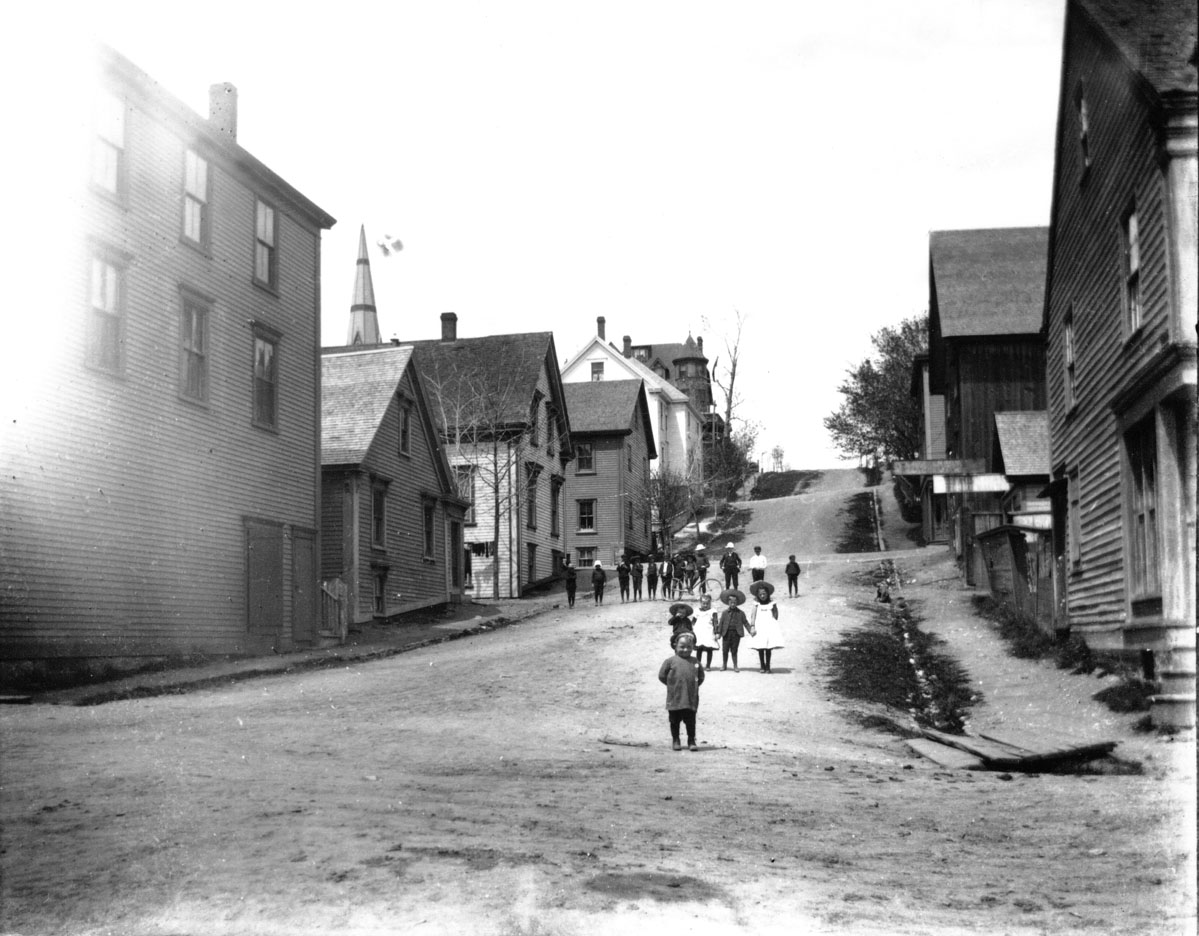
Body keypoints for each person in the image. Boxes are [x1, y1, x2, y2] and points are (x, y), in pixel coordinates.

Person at [658, 632, 704, 752]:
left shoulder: (695, 662)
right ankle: (676, 740)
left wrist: (692, 686)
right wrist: (672, 685)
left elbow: (701, 677)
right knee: (674, 720)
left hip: (690, 698)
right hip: (675, 697)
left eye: (689, 647)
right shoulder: (670, 661)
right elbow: (662, 676)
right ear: (675, 646)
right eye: (682, 646)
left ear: (693, 647)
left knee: (690, 721)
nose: (685, 649)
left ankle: (691, 740)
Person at [748, 580, 782, 673]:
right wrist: (752, 626)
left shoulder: (772, 603)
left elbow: (775, 614)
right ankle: (762, 665)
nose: (762, 596)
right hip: (760, 628)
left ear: (767, 594)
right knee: (760, 647)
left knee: (768, 648)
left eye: (764, 594)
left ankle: (768, 666)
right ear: (757, 595)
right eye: (760, 594)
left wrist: (773, 624)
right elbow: (753, 615)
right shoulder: (756, 604)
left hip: (769, 628)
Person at [716, 588, 751, 672]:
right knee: (725, 650)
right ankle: (724, 665)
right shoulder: (724, 613)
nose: (733, 604)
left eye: (734, 603)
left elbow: (745, 622)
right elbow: (721, 623)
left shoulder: (741, 613)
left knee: (734, 650)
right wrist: (718, 633)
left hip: (736, 634)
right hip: (726, 633)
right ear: (728, 603)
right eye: (731, 602)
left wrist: (750, 630)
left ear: (737, 603)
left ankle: (735, 665)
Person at [693, 593, 720, 670]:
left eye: (707, 604)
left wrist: (716, 632)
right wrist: (692, 630)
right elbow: (693, 621)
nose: (705, 605)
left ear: (710, 603)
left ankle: (708, 665)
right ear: (700, 603)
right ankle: (698, 665)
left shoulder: (713, 611)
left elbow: (715, 623)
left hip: (708, 632)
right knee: (699, 649)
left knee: (709, 649)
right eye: (703, 603)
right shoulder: (697, 611)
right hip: (699, 632)